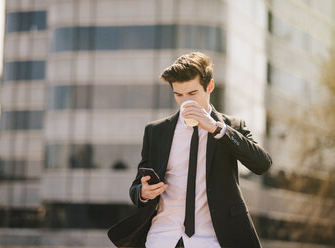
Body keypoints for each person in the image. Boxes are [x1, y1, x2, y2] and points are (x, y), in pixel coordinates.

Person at [108, 52, 272, 248]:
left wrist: (216, 128)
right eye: (179, 94)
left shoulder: (231, 127)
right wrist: (143, 191)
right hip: (162, 237)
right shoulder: (156, 132)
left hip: (213, 239)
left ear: (209, 86)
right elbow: (136, 187)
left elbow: (262, 164)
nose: (186, 101)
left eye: (192, 93)